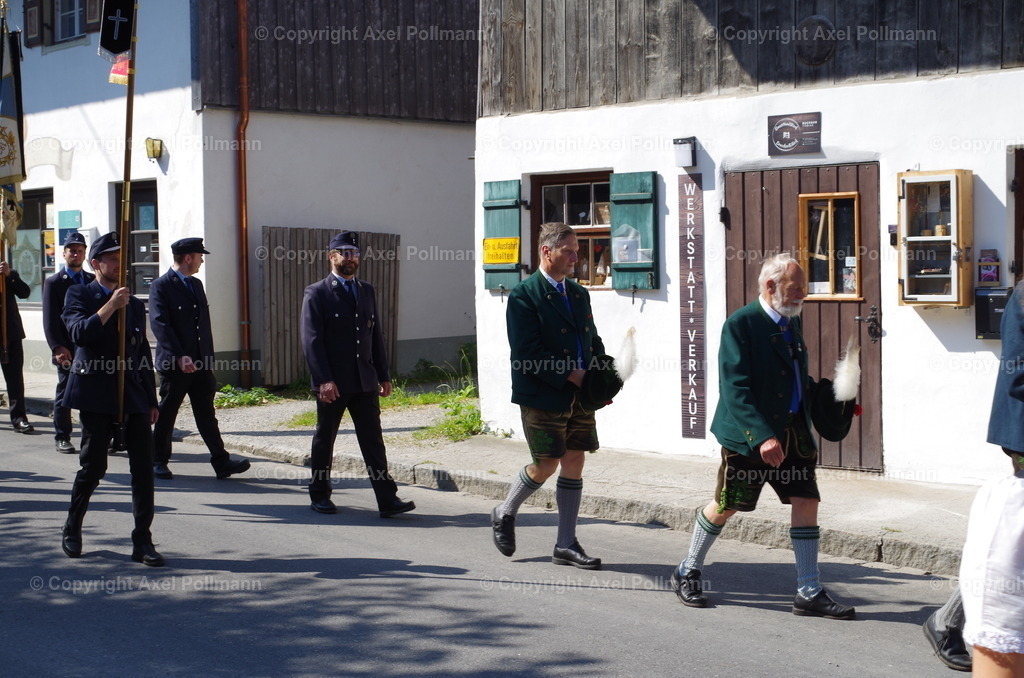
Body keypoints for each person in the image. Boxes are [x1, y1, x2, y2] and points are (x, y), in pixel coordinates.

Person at [670, 252, 855, 618]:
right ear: (771, 286)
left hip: (794, 434)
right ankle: (687, 569)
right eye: (796, 286)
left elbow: (793, 379)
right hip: (750, 437)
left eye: (803, 287)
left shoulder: (790, 321)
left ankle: (807, 589)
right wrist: (761, 437)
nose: (802, 293)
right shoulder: (741, 325)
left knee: (806, 501)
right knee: (728, 504)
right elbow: (735, 388)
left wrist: (830, 398)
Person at [490, 222, 606, 570]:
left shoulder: (579, 293)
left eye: (576, 250)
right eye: (568, 250)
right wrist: (571, 374)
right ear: (547, 252)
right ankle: (504, 510)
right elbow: (526, 351)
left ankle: (566, 544)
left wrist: (601, 379)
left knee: (575, 460)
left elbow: (592, 342)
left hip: (580, 395)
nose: (576, 257)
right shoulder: (525, 296)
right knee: (546, 463)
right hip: (542, 394)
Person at [59, 232, 163, 566]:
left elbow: (141, 352)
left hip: (131, 393)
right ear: (96, 264)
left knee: (143, 469)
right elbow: (80, 335)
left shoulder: (133, 303)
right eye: (112, 259)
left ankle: (142, 540)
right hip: (96, 392)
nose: (119, 265)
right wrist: (109, 306)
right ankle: (73, 527)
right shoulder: (80, 293)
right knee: (94, 467)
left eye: (122, 258)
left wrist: (151, 398)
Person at [300, 230, 415, 518]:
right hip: (333, 383)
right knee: (325, 439)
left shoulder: (366, 291)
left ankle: (387, 499)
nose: (350, 259)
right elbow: (311, 341)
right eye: (344, 253)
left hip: (364, 380)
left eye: (354, 253)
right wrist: (323, 380)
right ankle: (319, 494)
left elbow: (374, 335)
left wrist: (383, 374)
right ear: (332, 257)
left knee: (373, 441)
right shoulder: (317, 293)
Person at [149, 237, 250, 480]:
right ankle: (157, 460)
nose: (202, 261)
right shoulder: (161, 286)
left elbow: (203, 327)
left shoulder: (195, 285)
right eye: (199, 256)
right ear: (188, 258)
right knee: (168, 412)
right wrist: (179, 356)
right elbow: (160, 325)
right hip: (176, 365)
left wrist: (208, 361)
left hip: (200, 364)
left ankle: (221, 462)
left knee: (206, 414)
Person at [42, 231, 95, 453]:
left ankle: (92, 436)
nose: (76, 254)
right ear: (64, 254)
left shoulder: (92, 280)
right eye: (72, 250)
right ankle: (62, 435)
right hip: (66, 348)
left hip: (88, 346)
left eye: (80, 250)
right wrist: (57, 347)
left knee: (91, 392)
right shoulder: (54, 283)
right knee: (65, 391)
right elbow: (49, 318)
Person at [0, 258, 33, 433]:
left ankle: (19, 418)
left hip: (10, 334)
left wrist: (9, 276)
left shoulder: (7, 274)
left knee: (15, 381)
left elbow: (24, 292)